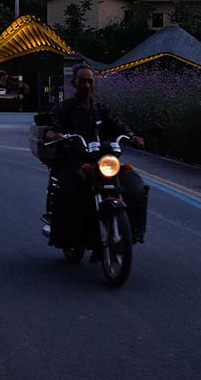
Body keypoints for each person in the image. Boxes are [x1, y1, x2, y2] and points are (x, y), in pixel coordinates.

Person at [44, 66, 149, 248]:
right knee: (69, 188)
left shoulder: (101, 109)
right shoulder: (64, 108)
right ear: (74, 83)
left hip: (101, 160)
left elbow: (118, 125)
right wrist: (54, 134)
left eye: (90, 81)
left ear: (95, 83)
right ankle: (66, 236)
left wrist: (132, 137)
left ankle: (135, 231)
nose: (86, 85)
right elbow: (51, 127)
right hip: (74, 159)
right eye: (82, 81)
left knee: (135, 185)